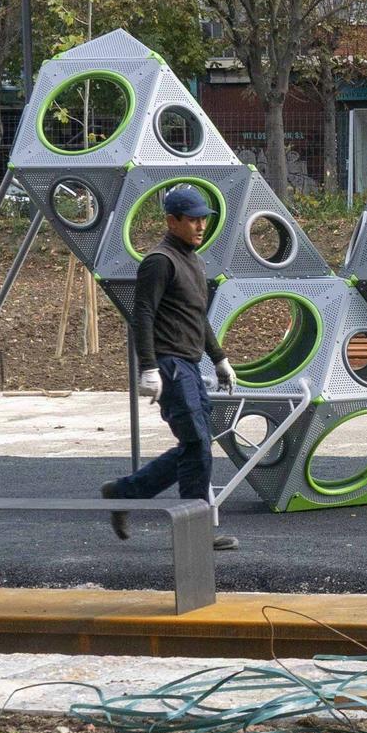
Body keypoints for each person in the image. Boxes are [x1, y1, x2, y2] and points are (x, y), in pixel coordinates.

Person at [100, 185, 239, 551]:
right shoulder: (159, 261)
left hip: (189, 363)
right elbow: (141, 314)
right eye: (192, 219)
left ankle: (124, 493)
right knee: (196, 444)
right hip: (170, 363)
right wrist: (148, 368)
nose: (200, 226)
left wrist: (219, 358)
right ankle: (194, 535)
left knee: (195, 445)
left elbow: (197, 315)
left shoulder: (193, 260)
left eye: (202, 219)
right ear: (171, 221)